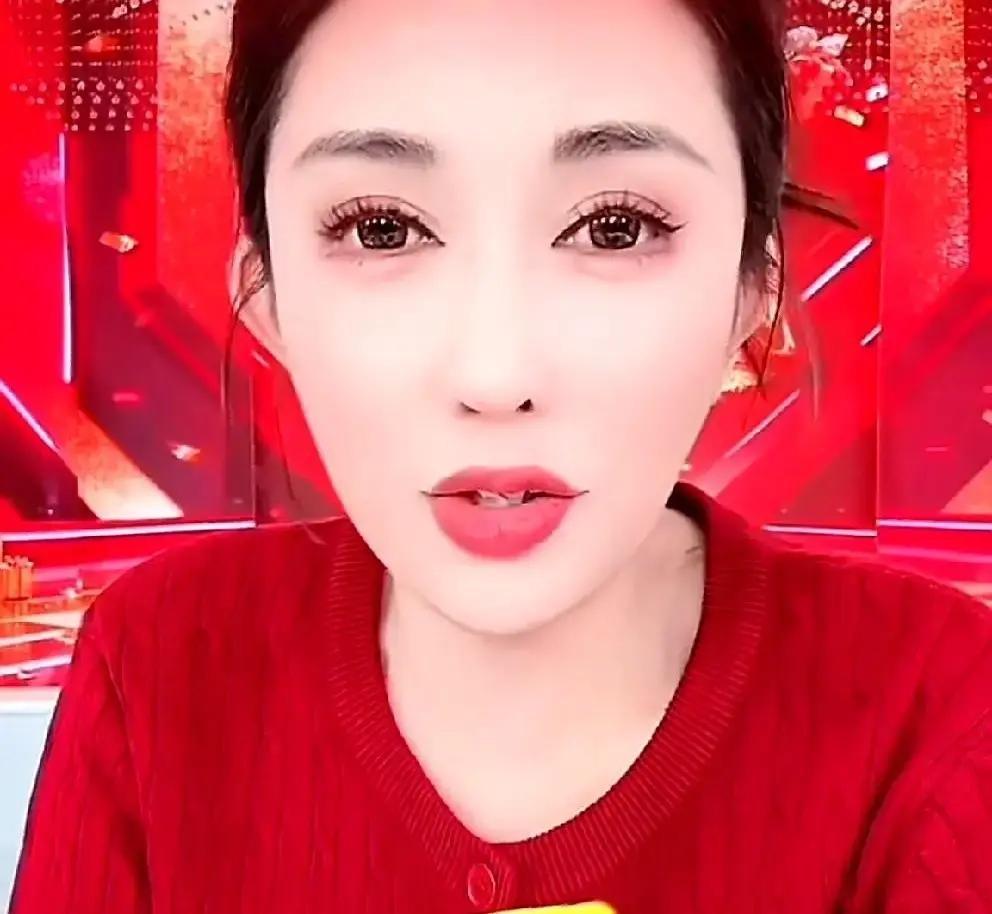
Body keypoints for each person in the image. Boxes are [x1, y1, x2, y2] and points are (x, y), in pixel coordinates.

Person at [11, 0, 992, 911]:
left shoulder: (938, 705)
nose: (495, 373)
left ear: (751, 292)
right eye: (382, 228)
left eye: (615, 228)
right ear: (265, 296)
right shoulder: (160, 665)